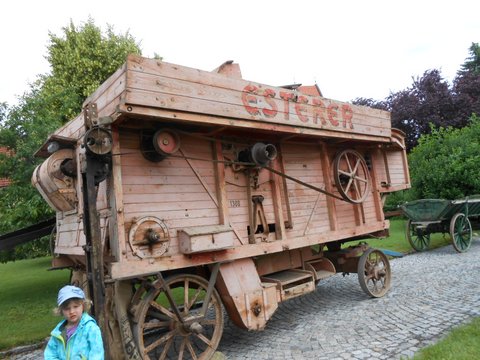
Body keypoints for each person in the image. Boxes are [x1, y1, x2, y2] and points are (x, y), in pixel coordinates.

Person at [44, 285, 104, 360]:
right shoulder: (58, 332)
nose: (72, 311)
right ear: (61, 311)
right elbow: (50, 354)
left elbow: (97, 354)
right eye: (67, 308)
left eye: (75, 306)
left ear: (83, 305)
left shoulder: (91, 328)